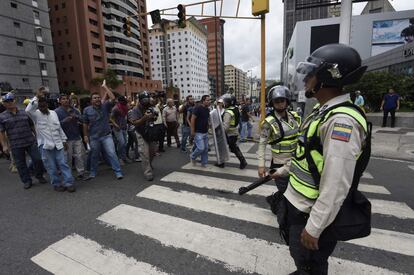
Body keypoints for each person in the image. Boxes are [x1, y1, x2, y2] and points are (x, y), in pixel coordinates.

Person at [284, 44, 371, 274]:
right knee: (303, 261)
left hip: (309, 213)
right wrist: (283, 170)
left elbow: (335, 183)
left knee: (310, 264)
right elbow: (307, 154)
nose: (306, 80)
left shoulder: (341, 121)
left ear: (326, 76)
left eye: (311, 74)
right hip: (299, 204)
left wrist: (314, 227)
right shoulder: (322, 111)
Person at [257, 86, 301, 204]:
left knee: (294, 191)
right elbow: (262, 145)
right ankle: (278, 207)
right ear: (272, 103)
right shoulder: (268, 122)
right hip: (279, 163)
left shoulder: (295, 117)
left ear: (287, 101)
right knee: (285, 191)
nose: (280, 104)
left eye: (282, 100)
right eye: (277, 101)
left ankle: (275, 201)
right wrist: (261, 165)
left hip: (296, 161)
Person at [26, 95, 76, 192]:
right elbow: (28, 110)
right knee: (51, 167)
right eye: (40, 105)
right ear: (38, 106)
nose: (42, 107)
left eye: (44, 105)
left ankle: (69, 183)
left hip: (58, 144)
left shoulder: (53, 113)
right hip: (45, 146)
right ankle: (57, 184)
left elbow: (59, 128)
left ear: (47, 104)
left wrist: (64, 140)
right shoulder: (35, 114)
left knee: (63, 164)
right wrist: (36, 96)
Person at [0, 92, 47, 189]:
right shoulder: (2, 117)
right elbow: (1, 132)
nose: (9, 103)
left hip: (30, 141)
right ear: (3, 104)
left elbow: (31, 125)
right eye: (7, 101)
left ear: (14, 101)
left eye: (11, 100)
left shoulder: (24, 112)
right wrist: (4, 145)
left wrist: (37, 136)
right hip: (15, 144)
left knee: (38, 159)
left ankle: (39, 175)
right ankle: (27, 180)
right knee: (20, 164)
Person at [82, 82, 123, 180]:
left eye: (98, 97)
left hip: (106, 136)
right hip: (94, 137)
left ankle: (118, 172)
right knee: (94, 155)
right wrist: (85, 135)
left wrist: (105, 87)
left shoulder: (105, 106)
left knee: (112, 153)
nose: (97, 99)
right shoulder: (86, 110)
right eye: (94, 98)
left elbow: (113, 98)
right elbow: (85, 124)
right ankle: (93, 172)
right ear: (91, 100)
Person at [55, 93, 86, 180]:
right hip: (66, 138)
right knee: (68, 158)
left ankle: (81, 173)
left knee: (79, 156)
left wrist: (75, 116)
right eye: (63, 99)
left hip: (76, 136)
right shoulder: (56, 112)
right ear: (60, 101)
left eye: (67, 99)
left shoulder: (74, 110)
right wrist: (64, 121)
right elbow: (55, 125)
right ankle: (68, 175)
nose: (65, 100)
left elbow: (83, 119)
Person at [130, 91, 159, 181]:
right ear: (141, 100)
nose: (146, 101)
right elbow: (135, 123)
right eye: (144, 99)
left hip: (150, 132)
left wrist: (154, 116)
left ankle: (148, 164)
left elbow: (154, 118)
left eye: (147, 99)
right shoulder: (135, 109)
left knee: (153, 152)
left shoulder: (150, 106)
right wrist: (145, 118)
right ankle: (148, 172)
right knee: (144, 153)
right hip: (141, 132)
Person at [215, 94, 247, 169]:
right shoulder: (235, 108)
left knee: (223, 147)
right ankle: (242, 161)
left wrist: (219, 132)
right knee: (233, 148)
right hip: (234, 132)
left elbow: (225, 126)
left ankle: (222, 163)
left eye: (225, 102)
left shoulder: (228, 112)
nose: (224, 103)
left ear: (229, 102)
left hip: (229, 134)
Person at [190, 95, 211, 167]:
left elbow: (207, 119)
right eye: (207, 100)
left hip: (205, 131)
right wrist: (192, 131)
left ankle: (204, 163)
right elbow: (192, 119)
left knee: (205, 149)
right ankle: (193, 157)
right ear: (203, 101)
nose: (209, 101)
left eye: (209, 100)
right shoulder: (198, 108)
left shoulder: (207, 109)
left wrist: (208, 126)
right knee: (201, 148)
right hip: (198, 132)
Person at [111, 95, 130, 165]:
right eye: (122, 101)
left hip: (124, 127)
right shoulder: (115, 108)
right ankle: (120, 158)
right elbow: (110, 118)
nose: (124, 102)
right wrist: (115, 125)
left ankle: (124, 157)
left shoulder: (125, 107)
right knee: (121, 143)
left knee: (124, 143)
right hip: (117, 128)